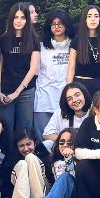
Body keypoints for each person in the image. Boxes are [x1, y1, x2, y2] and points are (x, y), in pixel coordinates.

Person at [15, 129, 82, 198]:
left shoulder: (82, 160)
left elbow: (74, 179)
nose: (65, 145)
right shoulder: (55, 162)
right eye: (61, 142)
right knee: (48, 197)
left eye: (69, 143)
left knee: (66, 177)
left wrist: (70, 159)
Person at [35, 9, 77, 137]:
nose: (57, 27)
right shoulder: (41, 46)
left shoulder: (74, 44)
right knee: (44, 138)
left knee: (66, 138)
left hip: (66, 98)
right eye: (53, 24)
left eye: (60, 23)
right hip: (44, 98)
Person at [73, 4, 100, 96]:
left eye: (96, 16)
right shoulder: (77, 40)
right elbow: (71, 67)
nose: (93, 19)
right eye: (89, 16)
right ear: (85, 19)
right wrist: (69, 88)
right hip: (80, 85)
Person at [42, 83, 91, 147]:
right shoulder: (60, 113)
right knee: (47, 143)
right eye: (69, 99)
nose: (74, 100)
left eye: (77, 95)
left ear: (84, 94)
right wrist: (67, 142)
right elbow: (46, 135)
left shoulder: (95, 110)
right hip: (65, 148)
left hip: (89, 149)